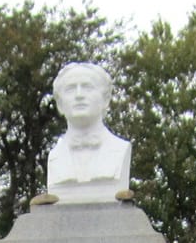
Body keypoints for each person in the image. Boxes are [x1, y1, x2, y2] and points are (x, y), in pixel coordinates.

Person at [46, 62, 132, 202]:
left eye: (87, 87)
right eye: (70, 89)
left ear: (106, 100)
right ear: (60, 104)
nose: (79, 95)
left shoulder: (120, 150)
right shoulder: (54, 157)